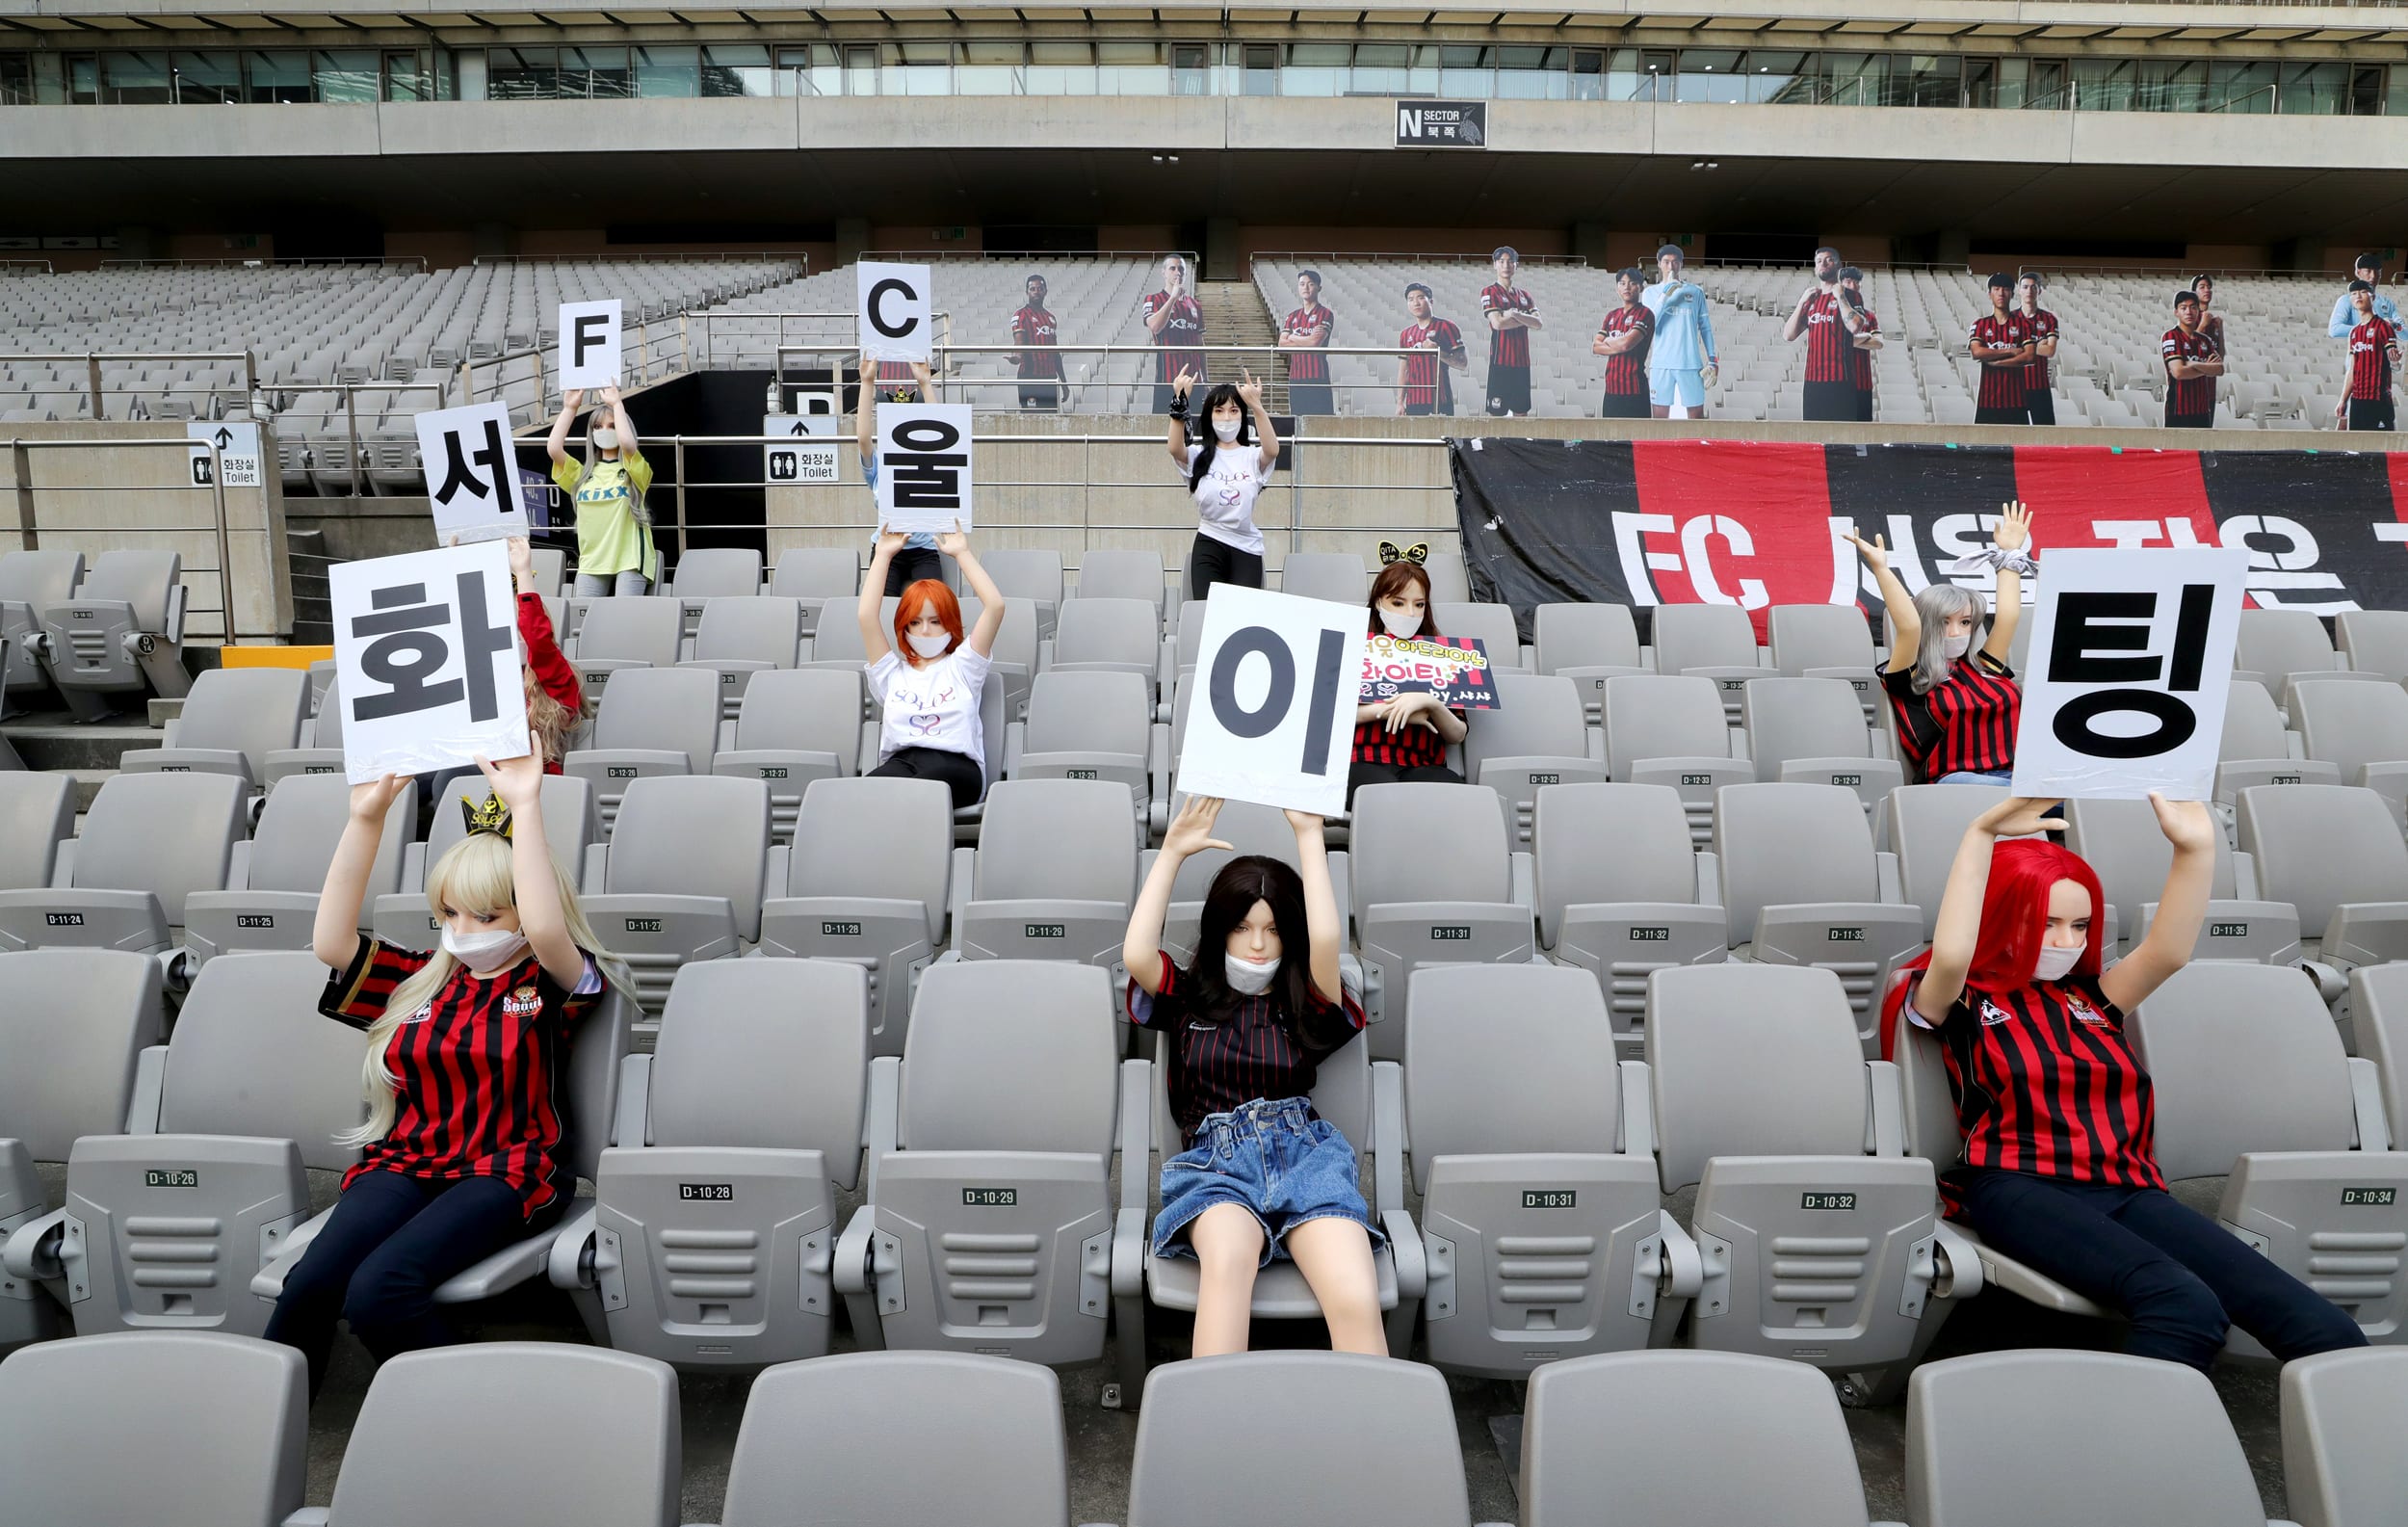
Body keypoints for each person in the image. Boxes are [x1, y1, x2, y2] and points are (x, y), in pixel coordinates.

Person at [1884, 792, 2368, 1375]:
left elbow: (2168, 951)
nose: (2066, 941)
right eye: (2047, 922)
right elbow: (1956, 948)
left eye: (2080, 925)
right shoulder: (1962, 998)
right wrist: (1981, 836)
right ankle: (2133, 1457)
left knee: (2325, 1328)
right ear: (2003, 914)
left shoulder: (2094, 999)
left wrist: (2195, 848)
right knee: (2184, 1306)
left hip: (2128, 1188)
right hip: (2020, 1185)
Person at [266, 750, 627, 1399]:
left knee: (380, 1290)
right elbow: (330, 941)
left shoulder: (550, 980)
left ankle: (462, 1418)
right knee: (310, 1283)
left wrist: (526, 806)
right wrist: (365, 821)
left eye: (487, 916)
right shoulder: (421, 980)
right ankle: (260, 1428)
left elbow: (546, 927)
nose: (464, 931)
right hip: (404, 1162)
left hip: (505, 1170)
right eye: (451, 914)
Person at [1122, 796, 1384, 1359]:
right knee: (1227, 1272)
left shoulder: (1307, 1002)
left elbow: (1328, 942)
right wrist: (1170, 852)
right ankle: (1213, 1435)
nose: (1258, 943)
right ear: (1221, 928)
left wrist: (1311, 838)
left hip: (1306, 1157)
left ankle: (1373, 1438)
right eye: (1242, 927)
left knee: (1355, 1295)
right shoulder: (1187, 996)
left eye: (1272, 929)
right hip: (1215, 1164)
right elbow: (1137, 951)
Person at [1847, 502, 2034, 786]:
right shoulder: (1912, 678)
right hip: (1956, 780)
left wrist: (2009, 556)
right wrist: (1881, 569)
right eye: (1944, 622)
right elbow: (1909, 628)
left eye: (1965, 622)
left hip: (2016, 776)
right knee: (2031, 793)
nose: (1956, 631)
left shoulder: (1983, 668)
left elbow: (2008, 618)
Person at [859, 522, 1006, 810]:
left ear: (950, 623)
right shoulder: (892, 674)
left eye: (935, 621)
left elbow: (995, 607)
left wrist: (962, 553)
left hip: (956, 766)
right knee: (861, 795)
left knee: (912, 794)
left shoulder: (963, 666)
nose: (924, 630)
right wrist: (882, 555)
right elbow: (866, 616)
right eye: (915, 622)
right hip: (903, 761)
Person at [1349, 555, 1467, 804]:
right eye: (1399, 603)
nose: (1410, 613)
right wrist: (1387, 710)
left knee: (1452, 794)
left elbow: (1457, 733)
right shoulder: (1353, 647)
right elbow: (1330, 716)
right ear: (1380, 602)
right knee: (1388, 798)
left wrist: (1431, 703)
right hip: (1362, 760)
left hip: (1424, 764)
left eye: (1419, 604)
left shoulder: (1443, 656)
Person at [1166, 367, 1279, 600]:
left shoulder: (1251, 456)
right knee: (1207, 612)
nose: (1226, 417)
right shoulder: (1198, 455)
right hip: (1209, 542)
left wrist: (1256, 406)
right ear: (1210, 415)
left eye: (1233, 410)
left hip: (1246, 546)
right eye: (1219, 411)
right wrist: (1180, 400)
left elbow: (1272, 449)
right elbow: (1175, 448)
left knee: (1242, 618)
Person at [547, 384, 655, 596]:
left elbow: (627, 444)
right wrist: (569, 408)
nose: (604, 431)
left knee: (623, 618)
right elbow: (553, 448)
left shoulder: (635, 469)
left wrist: (616, 403)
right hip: (592, 561)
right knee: (584, 620)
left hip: (630, 559)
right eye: (597, 426)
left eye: (612, 425)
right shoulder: (582, 474)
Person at [854, 350, 942, 594]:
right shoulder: (880, 462)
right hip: (886, 548)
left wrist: (925, 383)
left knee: (935, 605)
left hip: (924, 550)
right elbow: (863, 438)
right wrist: (867, 382)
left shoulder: (928, 458)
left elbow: (941, 431)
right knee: (880, 610)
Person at [1784, 247, 1860, 423]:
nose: (1823, 264)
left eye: (1828, 260)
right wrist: (1801, 302)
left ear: (1838, 265)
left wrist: (1840, 297)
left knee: (1843, 440)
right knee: (1813, 437)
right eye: (1818, 261)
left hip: (1840, 381)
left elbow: (1855, 327)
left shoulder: (1850, 296)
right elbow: (1788, 335)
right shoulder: (1812, 299)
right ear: (1815, 268)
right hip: (1813, 382)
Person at [1641, 244, 1716, 420]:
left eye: (1675, 262)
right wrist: (1665, 295)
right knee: (1659, 419)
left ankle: (1695, 448)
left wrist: (1713, 359)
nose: (1670, 267)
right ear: (1659, 264)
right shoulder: (1650, 292)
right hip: (1661, 363)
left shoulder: (1695, 292)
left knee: (1696, 416)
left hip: (1690, 363)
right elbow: (1650, 324)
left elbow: (1705, 327)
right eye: (1666, 262)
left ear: (1681, 265)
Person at [1480, 245, 1544, 417]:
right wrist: (1524, 320)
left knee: (1521, 414)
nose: (1506, 266)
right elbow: (1498, 324)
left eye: (1510, 262)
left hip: (1522, 364)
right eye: (1501, 262)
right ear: (1495, 265)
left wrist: (1514, 314)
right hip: (1500, 362)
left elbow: (1538, 323)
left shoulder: (1524, 295)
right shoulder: (1489, 291)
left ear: (1516, 265)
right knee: (1497, 415)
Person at [1968, 275, 2034, 426]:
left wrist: (1996, 363)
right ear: (1989, 294)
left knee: (2019, 447)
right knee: (1985, 447)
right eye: (1996, 289)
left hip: (2016, 401)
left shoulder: (2024, 324)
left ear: (2011, 293)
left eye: (2005, 289)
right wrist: (2011, 351)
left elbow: (2029, 356)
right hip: (1988, 401)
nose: (2000, 293)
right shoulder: (1980, 325)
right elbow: (1977, 352)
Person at [1143, 254, 1205, 415]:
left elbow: (1200, 344)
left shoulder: (1195, 305)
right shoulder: (1153, 299)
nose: (1177, 272)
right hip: (1167, 379)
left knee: (1194, 427)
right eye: (1173, 268)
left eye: (1181, 269)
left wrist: (1205, 377)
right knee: (1166, 428)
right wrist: (1172, 298)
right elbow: (1155, 327)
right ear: (1163, 272)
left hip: (1194, 381)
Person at [1396, 282, 1468, 417]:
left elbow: (1462, 363)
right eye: (1411, 299)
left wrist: (1437, 351)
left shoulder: (1446, 327)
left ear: (1431, 301)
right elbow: (1403, 370)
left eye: (1420, 297)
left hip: (1441, 399)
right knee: (1417, 438)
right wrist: (1400, 402)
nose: (1416, 303)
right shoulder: (1406, 334)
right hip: (1414, 401)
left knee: (1442, 438)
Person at [2338, 278, 2400, 433]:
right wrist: (2343, 400)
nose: (2358, 296)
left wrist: (2395, 362)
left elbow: (2394, 362)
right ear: (2351, 300)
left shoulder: (2383, 327)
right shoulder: (2354, 333)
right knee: (2357, 447)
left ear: (2372, 297)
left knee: (2379, 448)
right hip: (2358, 402)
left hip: (2379, 400)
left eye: (2363, 292)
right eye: (2353, 293)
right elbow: (2351, 370)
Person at [1592, 267, 1655, 420]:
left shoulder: (1645, 313)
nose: (1627, 287)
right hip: (1611, 389)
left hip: (1634, 389)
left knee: (1636, 438)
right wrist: (1618, 344)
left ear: (1641, 287)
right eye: (1622, 283)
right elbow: (1595, 347)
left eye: (1632, 283)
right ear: (1617, 288)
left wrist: (1608, 341)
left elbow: (1627, 344)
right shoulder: (1611, 316)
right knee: (1611, 439)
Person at [2162, 289, 2224, 429]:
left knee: (2202, 450)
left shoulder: (2205, 340)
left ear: (2198, 311)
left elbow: (2220, 369)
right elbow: (2178, 372)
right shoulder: (2171, 336)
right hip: (2178, 410)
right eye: (2183, 308)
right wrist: (2206, 369)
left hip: (2202, 411)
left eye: (2193, 307)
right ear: (2176, 312)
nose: (2189, 312)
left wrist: (2193, 364)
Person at [1279, 269, 1336, 417]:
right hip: (1296, 378)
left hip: (1317, 377)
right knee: (1298, 419)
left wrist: (1293, 336)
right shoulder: (1292, 316)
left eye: (1310, 284)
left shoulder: (1325, 313)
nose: (1306, 288)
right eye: (1302, 284)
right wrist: (1306, 339)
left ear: (1319, 287)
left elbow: (1314, 343)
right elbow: (1281, 344)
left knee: (1320, 420)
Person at [1009, 273, 1063, 411]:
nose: (1036, 292)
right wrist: (1017, 357)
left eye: (1039, 288)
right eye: (1032, 289)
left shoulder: (1050, 318)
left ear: (1045, 291)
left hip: (1050, 377)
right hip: (1029, 376)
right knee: (1030, 419)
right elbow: (1019, 342)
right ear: (1027, 292)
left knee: (1049, 419)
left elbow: (1055, 353)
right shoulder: (1020, 315)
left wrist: (1064, 382)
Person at [2017, 274, 2060, 427]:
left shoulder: (2049, 319)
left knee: (2046, 434)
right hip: (2015, 388)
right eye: (2025, 287)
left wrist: (2022, 346)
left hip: (2040, 387)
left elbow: (2049, 350)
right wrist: (2038, 344)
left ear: (2039, 291)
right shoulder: (2010, 318)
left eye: (2033, 287)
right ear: (2019, 290)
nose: (2029, 291)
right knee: (2014, 435)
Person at [1840, 267, 1881, 422]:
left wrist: (1848, 342)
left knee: (1863, 429)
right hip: (1840, 384)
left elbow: (1878, 343)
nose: (1853, 286)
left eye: (1857, 282)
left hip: (1863, 383)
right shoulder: (1834, 313)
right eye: (1848, 282)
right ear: (1841, 285)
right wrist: (1867, 335)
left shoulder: (1869, 315)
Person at [2328, 253, 2400, 339]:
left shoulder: (2387, 303)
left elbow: (2405, 335)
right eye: (2368, 271)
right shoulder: (2346, 300)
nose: (2373, 276)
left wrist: (2396, 327)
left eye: (2377, 272)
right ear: (2358, 272)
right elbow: (2334, 330)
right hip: (2356, 348)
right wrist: (2370, 330)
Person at [2190, 275, 2225, 359]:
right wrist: (2202, 325)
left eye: (2209, 287)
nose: (2207, 290)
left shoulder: (2213, 321)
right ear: (2194, 292)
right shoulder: (2190, 316)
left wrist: (2220, 329)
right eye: (2202, 287)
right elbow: (2188, 347)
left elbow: (2221, 355)